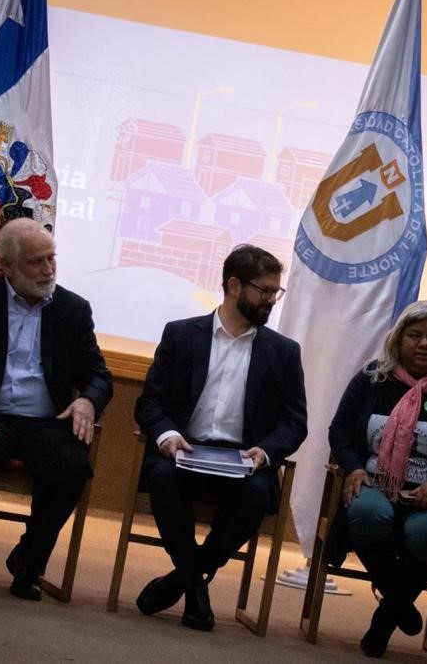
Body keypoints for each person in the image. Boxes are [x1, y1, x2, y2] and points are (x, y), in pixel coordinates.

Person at [0, 217, 112, 601]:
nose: (48, 270)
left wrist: (87, 400)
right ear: (5, 265)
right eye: (36, 262)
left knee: (73, 465)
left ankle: (29, 562)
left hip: (48, 422)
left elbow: (98, 374)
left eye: (52, 259)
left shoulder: (73, 309)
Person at [134, 244, 307, 631]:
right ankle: (195, 583)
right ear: (233, 285)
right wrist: (167, 436)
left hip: (244, 458)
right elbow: (150, 403)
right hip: (186, 448)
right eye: (264, 291)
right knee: (162, 479)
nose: (271, 300)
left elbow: (295, 422)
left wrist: (265, 452)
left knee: (260, 495)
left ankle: (183, 580)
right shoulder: (181, 335)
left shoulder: (283, 352)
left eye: (276, 292)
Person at [329, 301, 427, 658]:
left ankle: (384, 619)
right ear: (399, 339)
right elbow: (339, 428)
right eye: (415, 335)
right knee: (366, 516)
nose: (424, 344)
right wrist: (352, 466)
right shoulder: (373, 377)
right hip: (372, 483)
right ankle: (400, 604)